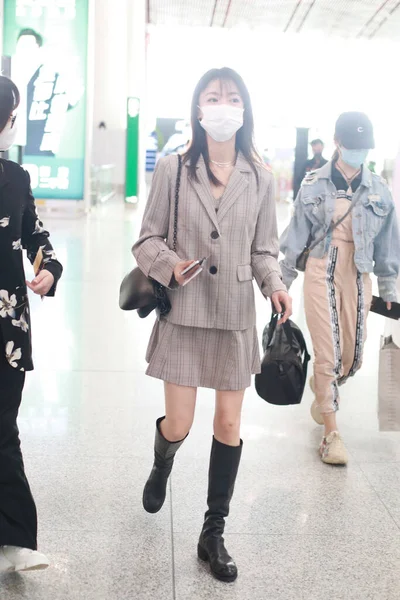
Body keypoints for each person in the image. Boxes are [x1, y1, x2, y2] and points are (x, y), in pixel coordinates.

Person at [133, 67, 292, 582]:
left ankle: (212, 533)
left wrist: (275, 285)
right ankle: (163, 459)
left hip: (234, 317)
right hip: (185, 310)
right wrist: (169, 265)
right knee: (179, 423)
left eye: (231, 97)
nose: (222, 105)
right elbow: (145, 241)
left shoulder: (261, 177)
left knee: (228, 424)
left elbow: (265, 248)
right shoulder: (174, 168)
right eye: (212, 97)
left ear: (243, 109)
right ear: (198, 108)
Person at [280, 112, 400, 465]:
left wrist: (389, 286)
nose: (358, 152)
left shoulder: (379, 189)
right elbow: (295, 236)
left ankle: (324, 390)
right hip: (321, 265)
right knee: (329, 352)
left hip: (358, 271)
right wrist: (281, 285)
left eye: (364, 147)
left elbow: (388, 245)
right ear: (337, 143)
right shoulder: (313, 183)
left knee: (352, 357)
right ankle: (331, 434)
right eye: (353, 146)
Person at [0, 76, 63, 571]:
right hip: (9, 332)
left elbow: (37, 236)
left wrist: (47, 269)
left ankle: (17, 541)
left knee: (2, 427)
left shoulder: (16, 178)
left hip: (7, 335)